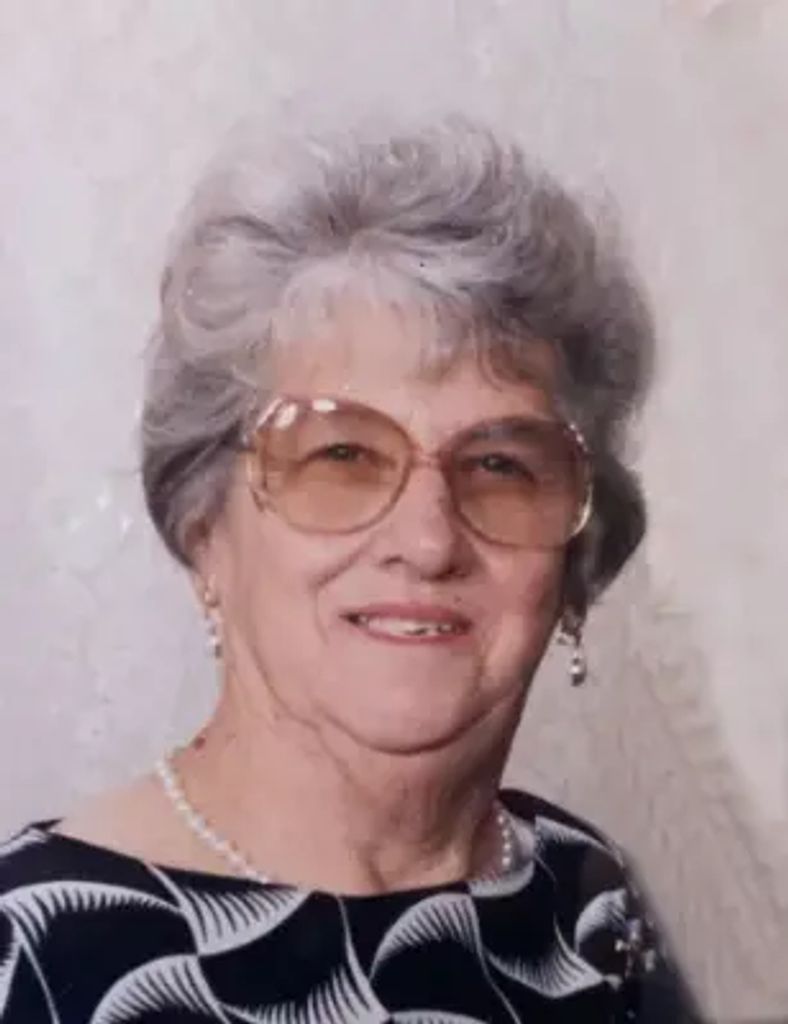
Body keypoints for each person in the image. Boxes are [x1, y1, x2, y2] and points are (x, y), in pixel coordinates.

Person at [0, 115, 701, 1022]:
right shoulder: (33, 955)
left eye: (500, 465)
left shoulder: (591, 904)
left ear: (577, 554)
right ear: (204, 524)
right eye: (341, 455)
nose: (429, 541)